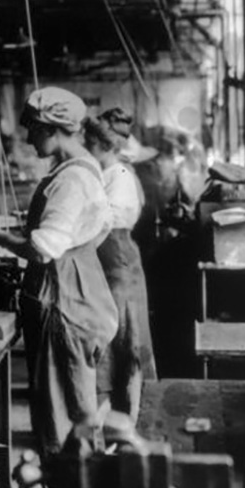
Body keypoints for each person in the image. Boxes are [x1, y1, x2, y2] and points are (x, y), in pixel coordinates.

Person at [0, 87, 118, 488]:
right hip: (82, 294)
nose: (29, 137)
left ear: (54, 129)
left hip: (64, 303)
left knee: (62, 424)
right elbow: (87, 234)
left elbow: (44, 247)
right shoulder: (83, 172)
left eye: (33, 128)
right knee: (81, 417)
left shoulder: (69, 181)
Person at [84, 109, 157, 417]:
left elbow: (106, 223)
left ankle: (131, 415)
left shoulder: (121, 177)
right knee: (111, 337)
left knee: (126, 338)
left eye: (90, 145)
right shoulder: (107, 174)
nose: (86, 150)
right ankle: (113, 411)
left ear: (103, 146)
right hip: (109, 262)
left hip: (119, 264)